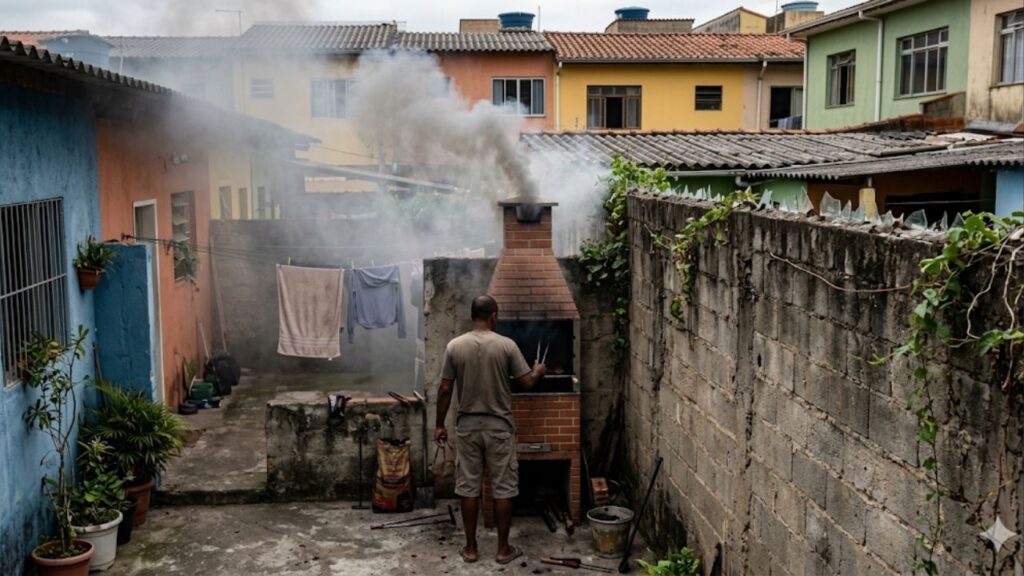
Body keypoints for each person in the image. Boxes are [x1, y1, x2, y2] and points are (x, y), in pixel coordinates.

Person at [434, 295, 545, 565]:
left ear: (473, 315)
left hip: (467, 429)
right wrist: (539, 370)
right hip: (499, 429)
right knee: (503, 488)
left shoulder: (454, 346)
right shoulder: (507, 345)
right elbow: (527, 382)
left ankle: (471, 549)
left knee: (469, 488)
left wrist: (439, 424)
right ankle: (502, 550)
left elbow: (446, 389)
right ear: (493, 315)